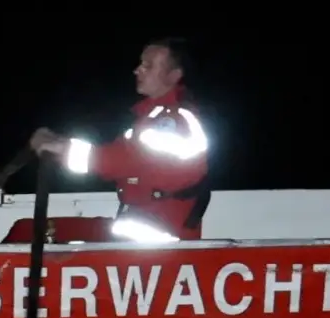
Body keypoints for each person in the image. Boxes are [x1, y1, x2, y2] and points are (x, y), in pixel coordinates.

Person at [17, 37, 212, 243]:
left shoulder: (172, 123)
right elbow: (119, 157)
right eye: (140, 64)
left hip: (156, 242)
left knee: (32, 235)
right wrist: (58, 142)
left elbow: (115, 162)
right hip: (137, 228)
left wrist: (57, 148)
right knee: (25, 230)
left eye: (148, 66)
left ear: (174, 76)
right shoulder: (152, 118)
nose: (137, 70)